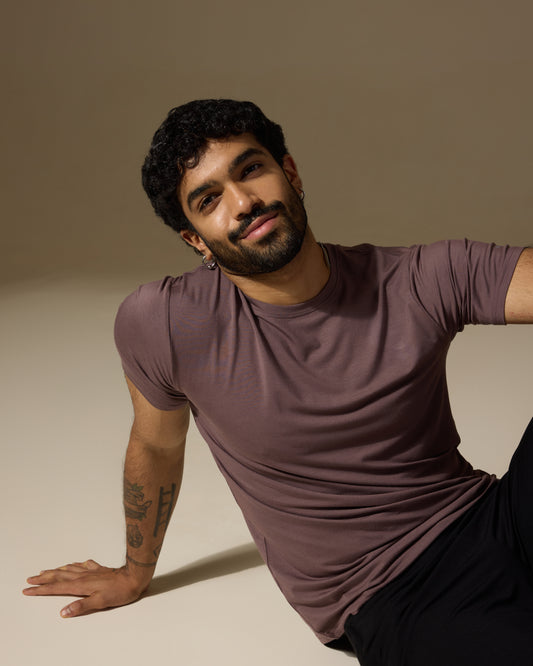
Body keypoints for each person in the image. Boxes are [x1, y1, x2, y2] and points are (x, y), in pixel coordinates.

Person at [23, 99, 533, 665]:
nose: (243, 203)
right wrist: (133, 572)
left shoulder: (416, 278)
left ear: (289, 172)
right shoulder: (167, 323)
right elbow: (156, 445)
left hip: (495, 515)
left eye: (250, 170)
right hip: (391, 595)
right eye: (209, 200)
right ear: (196, 240)